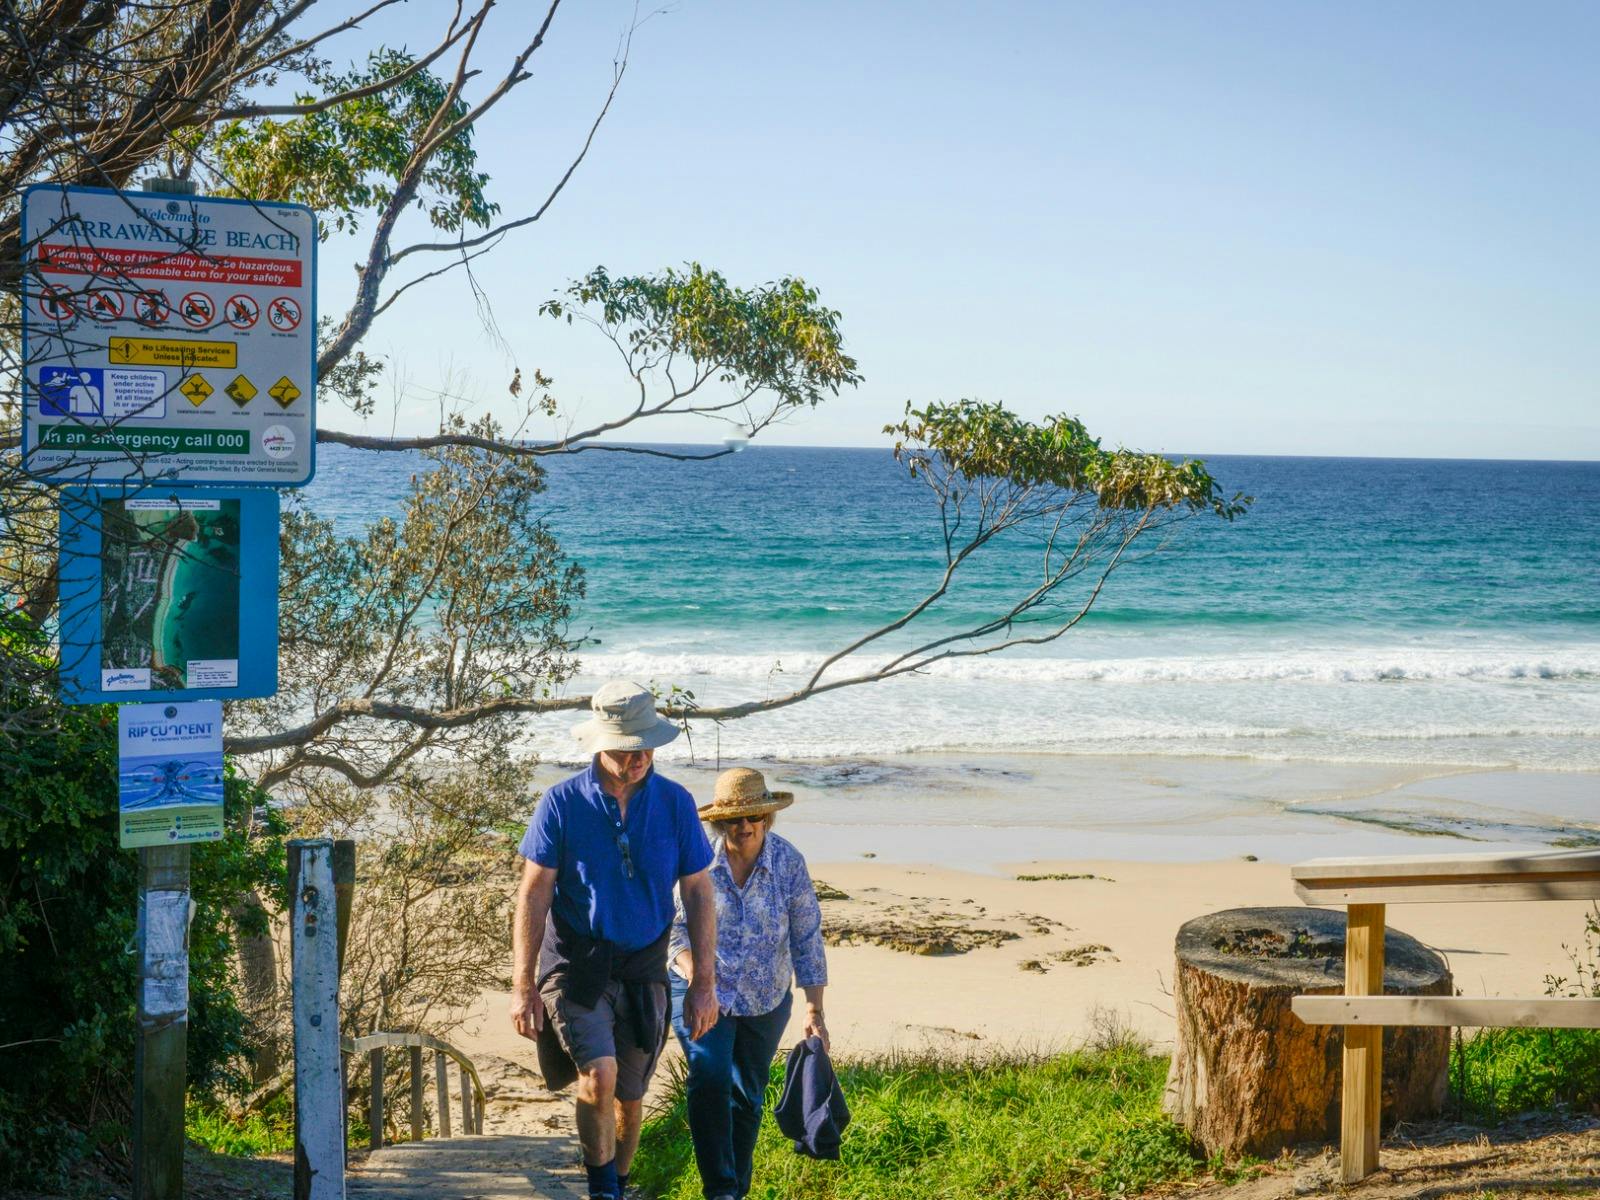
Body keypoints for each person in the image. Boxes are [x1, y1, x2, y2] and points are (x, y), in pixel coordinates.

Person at [510, 680, 720, 1200]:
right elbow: (533, 896)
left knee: (629, 1096)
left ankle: (618, 1186)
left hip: (645, 966)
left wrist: (703, 985)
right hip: (577, 963)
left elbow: (697, 893)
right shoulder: (560, 803)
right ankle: (602, 1190)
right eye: (629, 749)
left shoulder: (675, 803)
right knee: (599, 1077)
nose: (640, 757)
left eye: (647, 746)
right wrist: (522, 986)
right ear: (600, 746)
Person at [668, 767, 830, 1200]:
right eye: (736, 819)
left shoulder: (788, 862)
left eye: (754, 817)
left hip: (766, 997)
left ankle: (735, 1188)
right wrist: (696, 976)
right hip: (701, 988)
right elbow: (674, 929)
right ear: (721, 822)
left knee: (747, 1094)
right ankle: (719, 1188)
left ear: (767, 819)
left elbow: (806, 934)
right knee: (709, 1079)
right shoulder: (697, 860)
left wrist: (814, 1008)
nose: (745, 826)